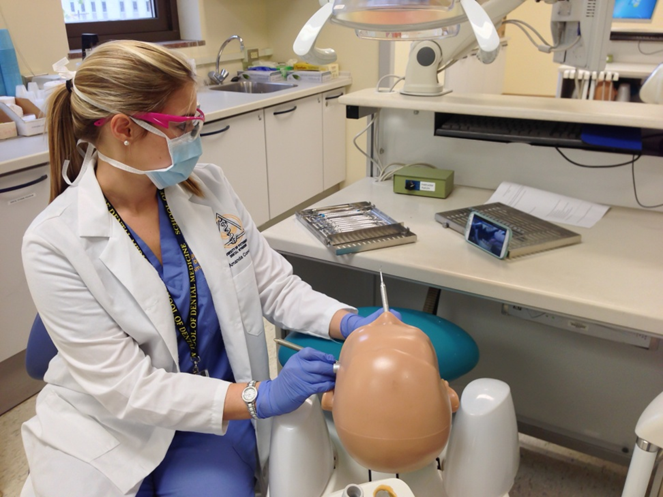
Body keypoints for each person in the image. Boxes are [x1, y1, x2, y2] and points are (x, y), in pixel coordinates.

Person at [20, 40, 392, 497]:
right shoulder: (53, 240)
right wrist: (263, 396)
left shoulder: (208, 190)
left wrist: (347, 322)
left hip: (215, 415)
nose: (196, 133)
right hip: (107, 426)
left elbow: (271, 284)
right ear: (124, 129)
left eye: (196, 118)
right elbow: (125, 388)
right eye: (182, 124)